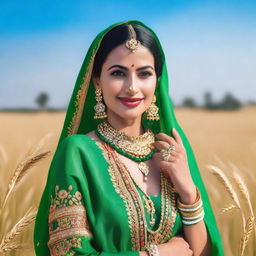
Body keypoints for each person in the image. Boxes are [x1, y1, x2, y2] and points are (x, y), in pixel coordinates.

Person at [34, 20, 224, 256]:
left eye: (144, 74)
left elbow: (202, 253)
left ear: (157, 81)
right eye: (118, 73)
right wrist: (156, 254)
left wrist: (187, 192)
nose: (132, 87)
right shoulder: (78, 152)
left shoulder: (171, 152)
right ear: (97, 81)